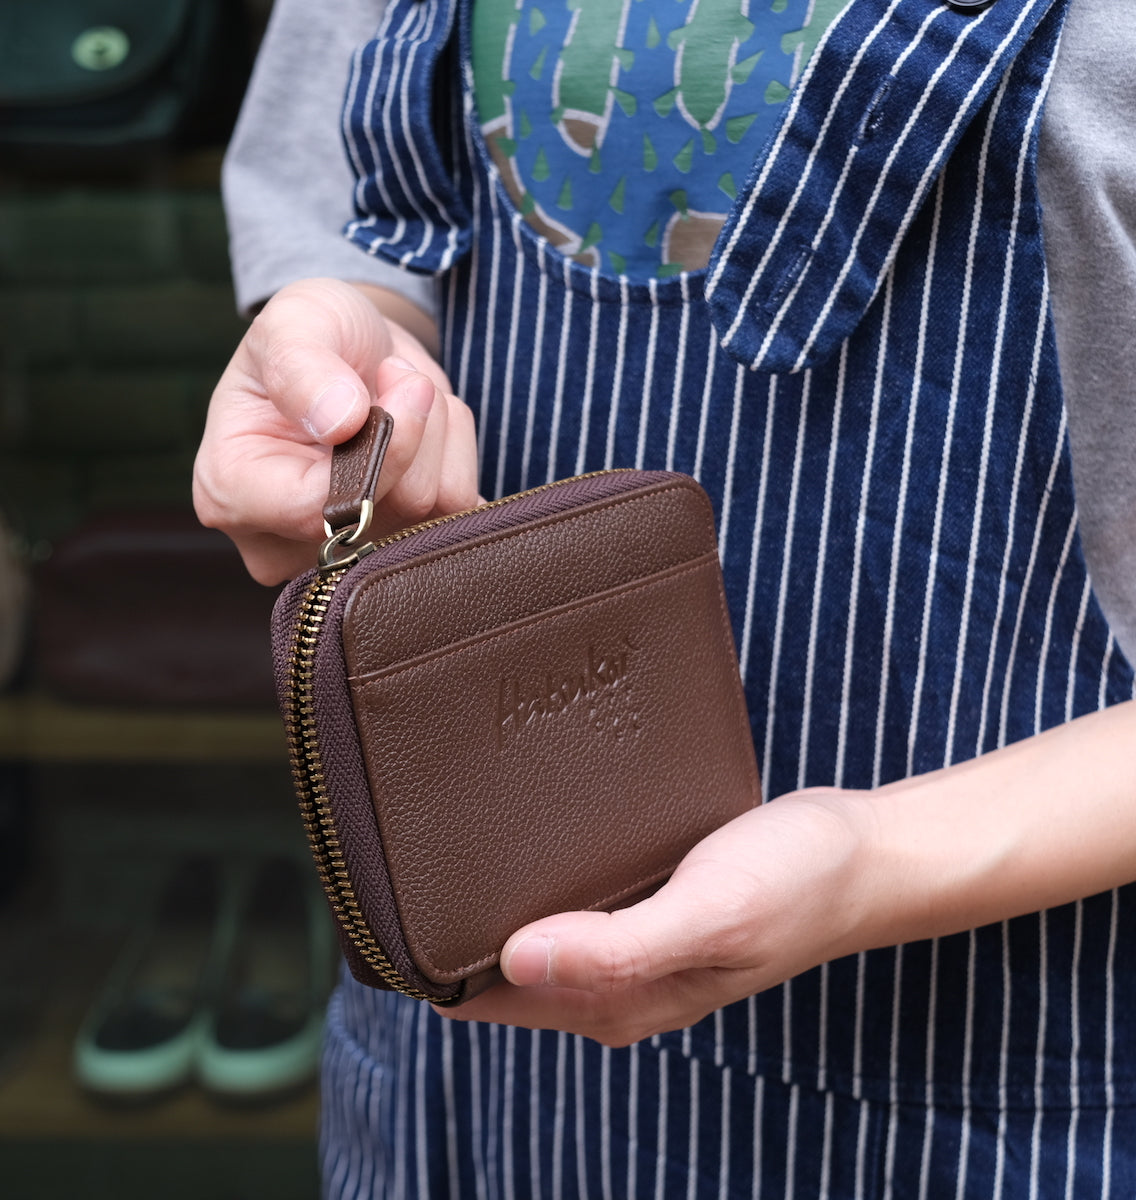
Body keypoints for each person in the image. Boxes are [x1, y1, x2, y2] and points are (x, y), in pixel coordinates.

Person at [194, 0, 1136, 1195]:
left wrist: (873, 863)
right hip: (454, 1077)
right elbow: (369, 230)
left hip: (986, 1093)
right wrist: (345, 365)